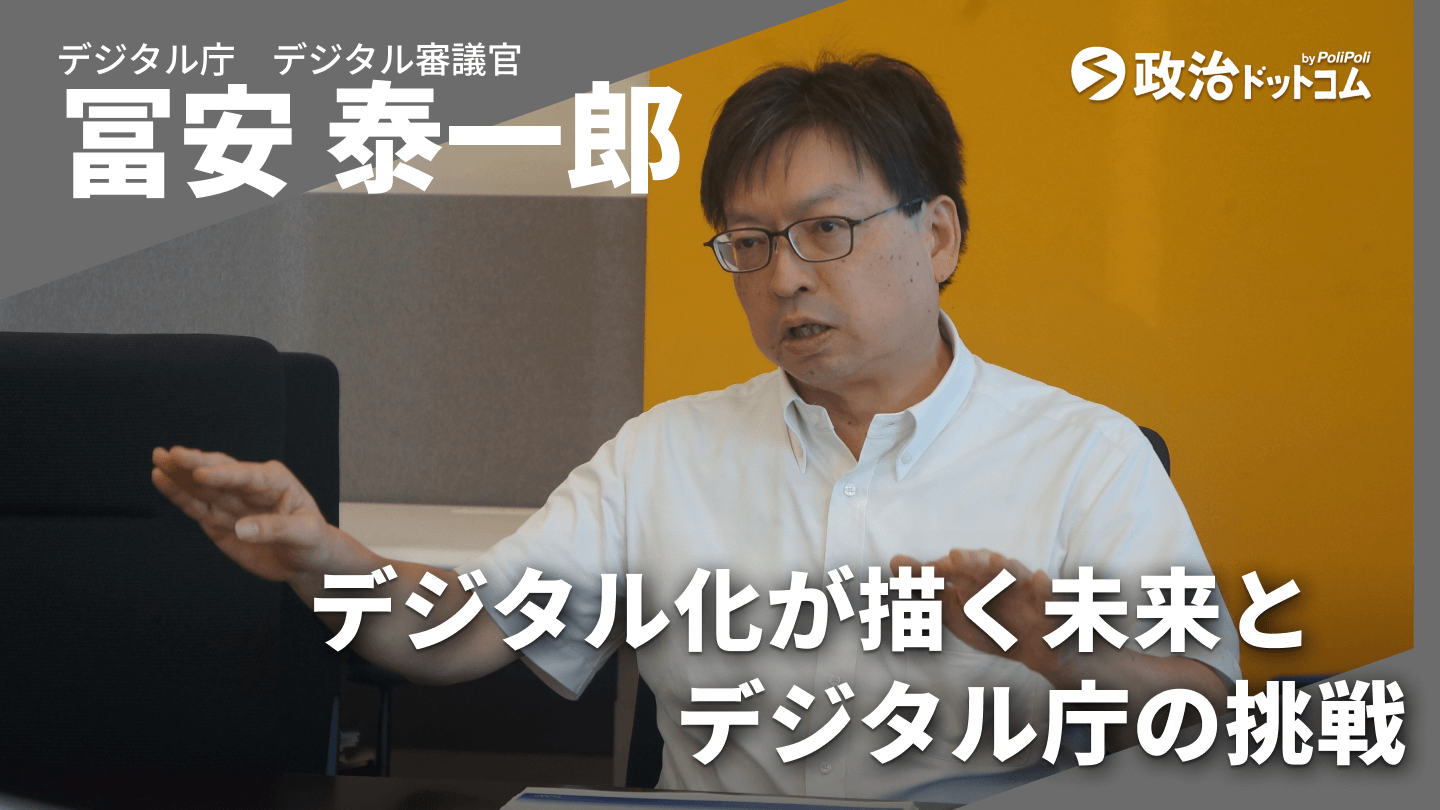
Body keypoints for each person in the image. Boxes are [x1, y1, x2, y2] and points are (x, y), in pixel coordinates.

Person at [152, 54, 1239, 800]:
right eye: (748, 244)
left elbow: (1206, 716)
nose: (785, 277)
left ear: (939, 235)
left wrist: (1071, 651)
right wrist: (328, 563)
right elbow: (466, 633)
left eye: (826, 229)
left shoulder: (1084, 455)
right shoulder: (665, 452)